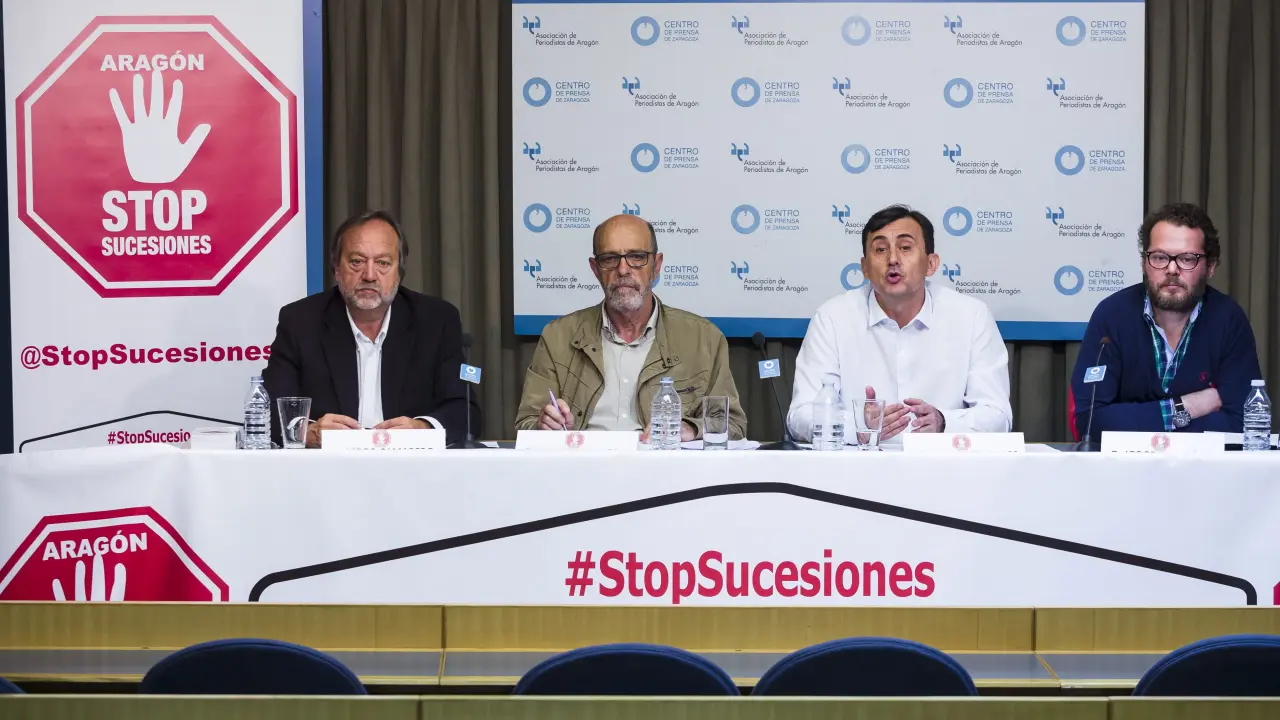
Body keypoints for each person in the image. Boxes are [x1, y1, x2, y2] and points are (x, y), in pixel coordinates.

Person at [788, 204, 1012, 444]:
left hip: (942, 463)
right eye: (880, 249)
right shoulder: (833, 317)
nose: (893, 259)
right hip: (859, 464)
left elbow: (997, 415)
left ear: (931, 263)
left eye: (905, 248)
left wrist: (943, 422)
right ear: (865, 268)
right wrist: (859, 427)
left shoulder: (972, 316)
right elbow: (801, 415)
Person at [515, 214, 746, 440]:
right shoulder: (557, 337)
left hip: (662, 462)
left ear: (656, 265)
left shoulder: (704, 338)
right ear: (595, 269)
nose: (623, 270)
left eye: (636, 257)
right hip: (583, 461)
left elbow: (733, 425)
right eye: (609, 259)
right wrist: (543, 425)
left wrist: (691, 429)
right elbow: (526, 424)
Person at [263, 210, 480, 447]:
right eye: (356, 262)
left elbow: (465, 410)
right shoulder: (301, 321)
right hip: (329, 463)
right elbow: (270, 408)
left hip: (410, 462)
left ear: (399, 272)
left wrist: (423, 428)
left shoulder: (436, 321)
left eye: (383, 263)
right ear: (337, 268)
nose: (369, 275)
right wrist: (306, 432)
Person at [1070, 202, 1261, 435]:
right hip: (1125, 460)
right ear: (1144, 263)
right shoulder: (1111, 315)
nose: (1171, 269)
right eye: (1160, 257)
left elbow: (1245, 424)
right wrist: (1187, 407)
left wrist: (1137, 422)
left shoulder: (1228, 319)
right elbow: (1090, 421)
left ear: (1210, 267)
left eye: (1187, 259)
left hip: (1202, 461)